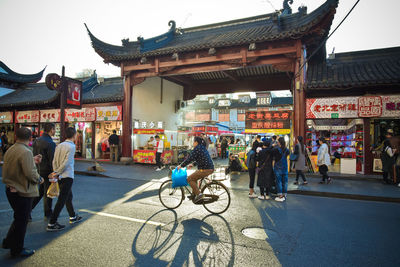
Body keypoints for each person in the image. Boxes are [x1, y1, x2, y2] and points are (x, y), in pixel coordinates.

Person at [2, 127, 44, 257]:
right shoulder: (25, 152)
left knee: (19, 218)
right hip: (22, 190)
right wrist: (40, 179)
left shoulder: (11, 149)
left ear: (16, 137)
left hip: (10, 189)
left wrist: (32, 160)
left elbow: (19, 164)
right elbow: (30, 173)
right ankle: (17, 249)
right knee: (22, 220)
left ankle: (8, 241)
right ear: (30, 138)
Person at [47, 127, 82, 231]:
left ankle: (73, 216)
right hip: (67, 175)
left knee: (68, 196)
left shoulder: (60, 145)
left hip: (60, 175)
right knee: (62, 199)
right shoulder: (72, 146)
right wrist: (58, 172)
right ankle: (52, 223)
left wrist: (56, 171)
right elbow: (67, 162)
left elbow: (54, 160)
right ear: (74, 135)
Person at [31, 123, 56, 221]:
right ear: (51, 130)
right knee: (47, 193)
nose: (54, 131)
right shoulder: (50, 143)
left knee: (41, 192)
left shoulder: (36, 141)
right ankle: (48, 212)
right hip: (47, 171)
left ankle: (29, 209)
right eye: (54, 129)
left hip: (38, 169)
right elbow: (52, 160)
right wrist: (54, 172)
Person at [178, 136, 214, 204]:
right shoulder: (202, 147)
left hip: (205, 169)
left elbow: (190, 158)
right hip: (209, 168)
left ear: (196, 142)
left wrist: (181, 165)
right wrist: (193, 164)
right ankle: (193, 195)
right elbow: (200, 159)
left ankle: (199, 194)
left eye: (193, 142)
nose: (193, 143)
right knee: (194, 177)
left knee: (189, 179)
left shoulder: (197, 148)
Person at [272, 137, 290, 202]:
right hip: (285, 167)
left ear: (279, 142)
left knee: (278, 182)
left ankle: (280, 195)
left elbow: (273, 156)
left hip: (278, 168)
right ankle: (284, 194)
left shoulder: (276, 150)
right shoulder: (287, 150)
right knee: (285, 182)